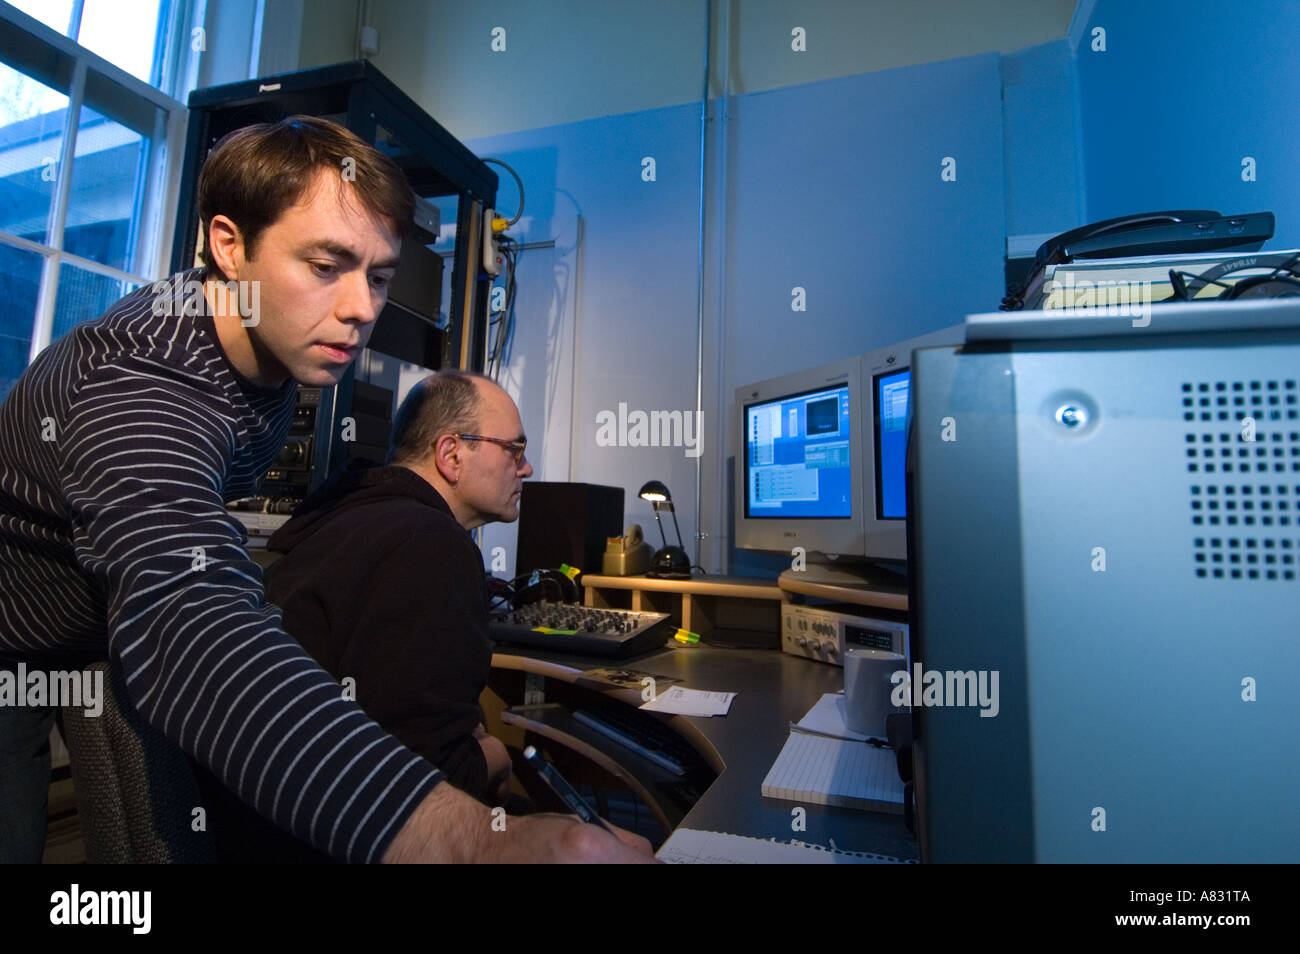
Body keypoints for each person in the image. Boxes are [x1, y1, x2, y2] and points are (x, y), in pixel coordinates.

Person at [0, 115, 652, 864]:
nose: (362, 309)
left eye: (376, 275)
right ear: (228, 245)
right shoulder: (141, 387)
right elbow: (193, 625)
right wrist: (473, 841)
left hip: (87, 624)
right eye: (324, 265)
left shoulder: (265, 346)